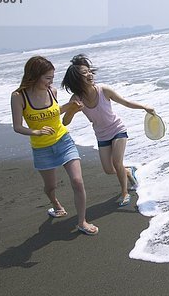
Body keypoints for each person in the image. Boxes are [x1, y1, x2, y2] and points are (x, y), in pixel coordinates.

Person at [10, 56, 98, 235]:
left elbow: (54, 112)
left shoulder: (52, 91)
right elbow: (17, 127)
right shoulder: (19, 97)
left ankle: (82, 221)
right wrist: (36, 132)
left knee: (77, 181)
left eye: (52, 78)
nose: (51, 82)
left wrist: (71, 106)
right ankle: (55, 204)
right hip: (42, 148)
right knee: (50, 187)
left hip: (63, 141)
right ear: (34, 76)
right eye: (47, 78)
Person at [61, 54, 155, 207]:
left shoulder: (103, 90)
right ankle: (129, 172)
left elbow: (126, 102)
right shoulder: (76, 98)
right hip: (101, 135)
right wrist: (73, 110)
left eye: (89, 71)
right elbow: (65, 121)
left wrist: (144, 107)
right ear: (76, 79)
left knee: (117, 162)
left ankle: (125, 193)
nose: (89, 74)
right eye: (84, 73)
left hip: (117, 129)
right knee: (109, 169)